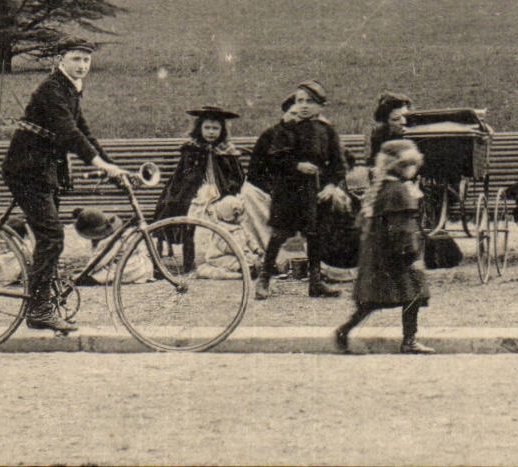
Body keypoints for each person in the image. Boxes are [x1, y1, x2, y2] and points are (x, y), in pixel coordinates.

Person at [1, 40, 128, 333]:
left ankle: (45, 300)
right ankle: (39, 310)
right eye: (76, 59)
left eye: (86, 60)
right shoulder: (52, 89)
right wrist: (102, 166)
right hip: (27, 171)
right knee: (53, 237)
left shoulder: (70, 89)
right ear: (61, 59)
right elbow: (70, 135)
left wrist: (113, 168)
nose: (82, 65)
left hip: (43, 172)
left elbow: (85, 134)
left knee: (50, 237)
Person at [249, 81, 354, 300]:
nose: (304, 106)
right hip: (288, 193)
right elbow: (273, 158)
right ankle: (264, 280)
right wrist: (296, 165)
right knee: (278, 235)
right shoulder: (286, 129)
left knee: (315, 236)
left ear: (320, 106)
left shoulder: (327, 131)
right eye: (300, 101)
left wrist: (331, 186)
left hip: (315, 194)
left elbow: (339, 164)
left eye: (310, 102)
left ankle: (315, 283)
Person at [334, 139, 434, 355]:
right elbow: (402, 229)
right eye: (411, 165)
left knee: (372, 301)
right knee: (414, 294)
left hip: (378, 256)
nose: (414, 169)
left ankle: (344, 330)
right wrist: (412, 254)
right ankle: (409, 340)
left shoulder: (380, 188)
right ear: (401, 167)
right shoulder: (398, 191)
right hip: (397, 256)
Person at [151, 105, 246, 271]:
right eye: (207, 128)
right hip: (195, 192)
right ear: (199, 129)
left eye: (215, 128)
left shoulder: (227, 150)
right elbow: (183, 176)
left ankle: (223, 257)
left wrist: (230, 189)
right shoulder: (192, 149)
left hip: (222, 193)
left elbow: (236, 176)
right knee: (192, 214)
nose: (211, 132)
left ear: (222, 130)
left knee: (228, 212)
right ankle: (189, 261)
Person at [368, 92, 411, 159]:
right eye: (396, 119)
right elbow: (375, 160)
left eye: (407, 117)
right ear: (386, 122)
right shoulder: (380, 135)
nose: (403, 122)